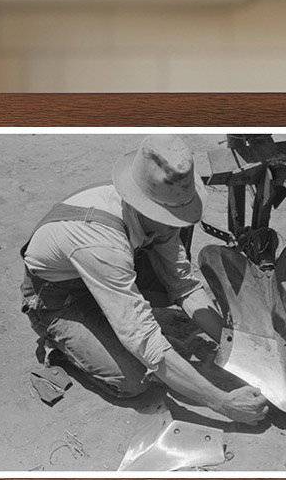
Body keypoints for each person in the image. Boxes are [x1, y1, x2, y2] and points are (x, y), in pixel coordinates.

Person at [20, 135, 269, 424]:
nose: (176, 222)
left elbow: (183, 285)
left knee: (158, 297)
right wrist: (222, 402)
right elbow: (143, 338)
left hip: (103, 275)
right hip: (58, 298)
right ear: (145, 205)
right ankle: (62, 341)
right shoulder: (102, 243)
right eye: (171, 216)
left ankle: (109, 320)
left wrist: (232, 344)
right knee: (134, 380)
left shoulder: (157, 210)